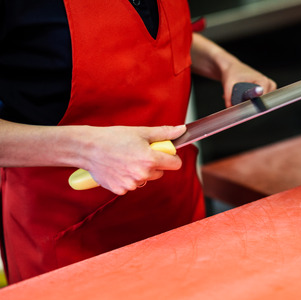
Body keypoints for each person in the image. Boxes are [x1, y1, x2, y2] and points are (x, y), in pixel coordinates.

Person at [0, 0, 276, 284]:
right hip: (69, 242)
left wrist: (227, 65)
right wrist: (87, 149)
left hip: (178, 217)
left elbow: (158, 34)